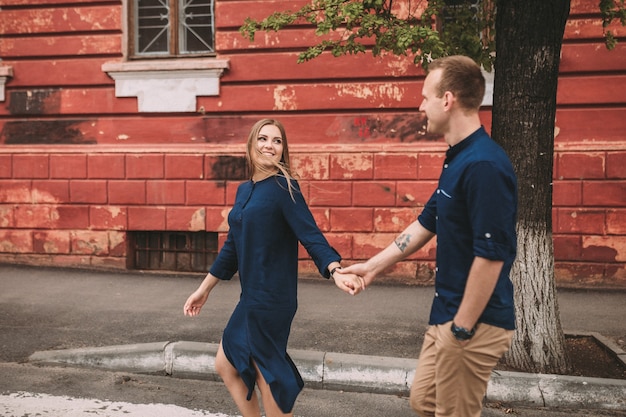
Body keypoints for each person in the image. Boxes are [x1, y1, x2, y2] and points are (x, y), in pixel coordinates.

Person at [342, 55, 518, 417]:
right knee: (424, 402)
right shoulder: (458, 158)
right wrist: (372, 268)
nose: (420, 106)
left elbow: (491, 256)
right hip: (447, 313)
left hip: (474, 323)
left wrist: (461, 330)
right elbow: (426, 223)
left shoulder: (484, 166)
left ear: (448, 100)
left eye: (425, 97)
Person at [183, 118, 363, 417]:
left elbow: (310, 234)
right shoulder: (245, 191)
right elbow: (232, 248)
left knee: (266, 371)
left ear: (283, 150)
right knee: (226, 363)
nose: (269, 145)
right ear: (251, 144)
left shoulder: (284, 188)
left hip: (272, 298)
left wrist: (334, 269)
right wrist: (204, 290)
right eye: (263, 139)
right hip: (251, 297)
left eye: (277, 141)